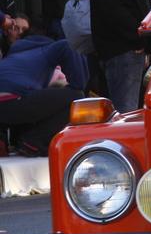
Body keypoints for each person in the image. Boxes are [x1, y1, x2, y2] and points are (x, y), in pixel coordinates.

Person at [0, 19, 88, 156]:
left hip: (8, 106)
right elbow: (68, 46)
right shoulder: (47, 49)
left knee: (33, 98)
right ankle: (33, 141)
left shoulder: (13, 56)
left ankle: (16, 142)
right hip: (14, 101)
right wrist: (79, 84)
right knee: (76, 97)